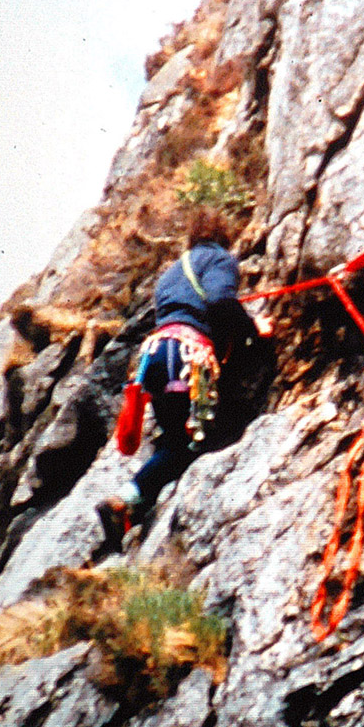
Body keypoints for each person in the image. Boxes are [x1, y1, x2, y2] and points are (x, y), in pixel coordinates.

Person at [97, 206, 274, 547]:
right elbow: (221, 302)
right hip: (187, 356)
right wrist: (254, 330)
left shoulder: (170, 274)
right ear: (224, 239)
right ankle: (125, 502)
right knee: (194, 441)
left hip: (156, 359)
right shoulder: (220, 260)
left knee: (175, 439)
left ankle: (130, 507)